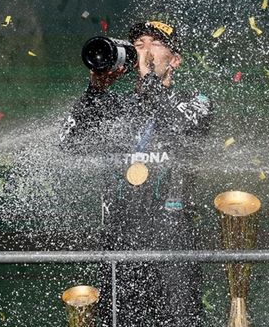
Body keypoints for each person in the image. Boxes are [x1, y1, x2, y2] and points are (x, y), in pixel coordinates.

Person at [61, 19, 212, 326]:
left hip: (172, 248)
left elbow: (179, 130)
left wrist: (151, 84)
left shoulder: (196, 103)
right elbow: (68, 142)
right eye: (138, 44)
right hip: (118, 246)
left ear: (175, 60)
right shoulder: (114, 107)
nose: (144, 50)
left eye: (155, 43)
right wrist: (95, 91)